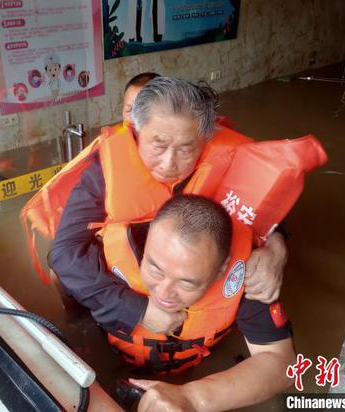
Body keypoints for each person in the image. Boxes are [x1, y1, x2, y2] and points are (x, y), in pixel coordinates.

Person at [45, 77, 287, 338]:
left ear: (205, 140)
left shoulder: (229, 160)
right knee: (60, 274)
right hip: (129, 280)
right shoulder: (104, 172)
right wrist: (135, 309)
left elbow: (264, 204)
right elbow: (64, 252)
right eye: (158, 145)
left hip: (195, 283)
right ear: (136, 133)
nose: (169, 163)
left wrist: (277, 247)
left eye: (185, 149)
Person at [123, 195, 295, 411]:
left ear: (220, 271)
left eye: (186, 283)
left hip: (190, 367)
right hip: (114, 355)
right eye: (155, 269)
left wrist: (192, 398)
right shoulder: (105, 254)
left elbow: (282, 364)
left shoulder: (241, 278)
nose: (163, 292)